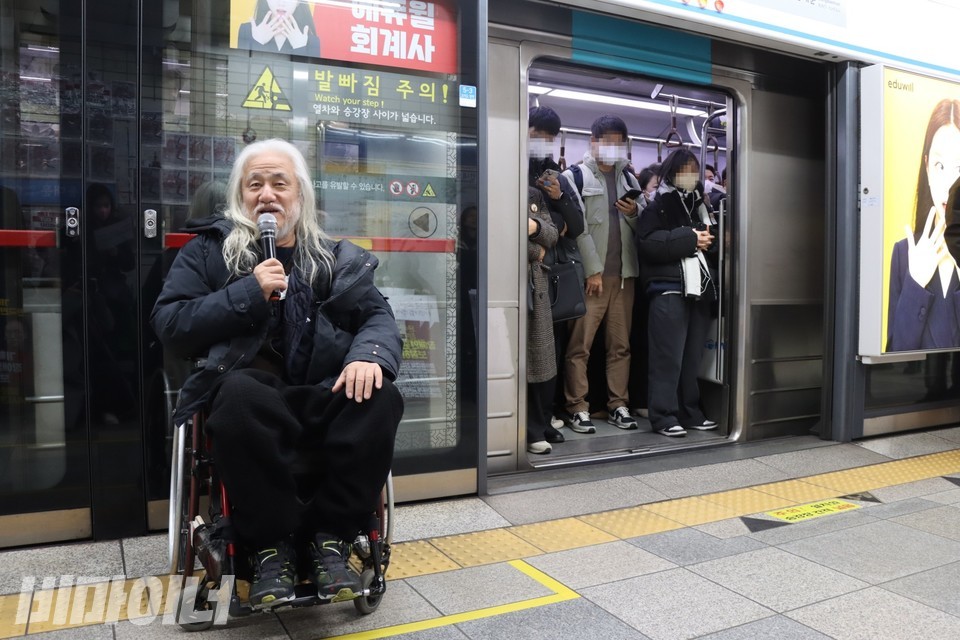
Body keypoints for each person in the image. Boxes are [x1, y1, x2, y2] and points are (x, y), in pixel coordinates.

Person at [151, 139, 403, 609]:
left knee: (381, 396)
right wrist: (248, 291)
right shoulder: (207, 253)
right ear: (240, 198)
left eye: (279, 183)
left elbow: (379, 318)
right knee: (241, 396)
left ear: (300, 197)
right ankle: (271, 545)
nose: (267, 194)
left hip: (322, 390)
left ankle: (332, 539)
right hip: (250, 394)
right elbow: (170, 326)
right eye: (255, 184)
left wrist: (367, 354)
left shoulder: (332, 258)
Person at [560, 115, 643, 433]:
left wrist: (635, 212)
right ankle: (577, 406)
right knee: (580, 346)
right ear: (593, 142)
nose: (613, 147)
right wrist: (592, 270)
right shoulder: (574, 176)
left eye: (618, 141)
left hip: (624, 277)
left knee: (620, 346)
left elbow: (640, 228)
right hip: (590, 278)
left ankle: (618, 404)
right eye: (606, 140)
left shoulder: (630, 180)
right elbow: (576, 229)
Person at [635, 148, 718, 437]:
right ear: (671, 173)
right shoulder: (656, 205)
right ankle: (663, 415)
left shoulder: (700, 204)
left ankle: (690, 411)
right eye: (684, 171)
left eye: (693, 171)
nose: (690, 176)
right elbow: (649, 244)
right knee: (667, 357)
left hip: (698, 289)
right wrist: (691, 238)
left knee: (691, 358)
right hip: (668, 288)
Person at [528, 106, 584, 446]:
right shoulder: (510, 165)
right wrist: (545, 238)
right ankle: (532, 424)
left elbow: (575, 227)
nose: (544, 142)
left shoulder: (554, 175)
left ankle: (545, 419)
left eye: (550, 137)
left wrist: (559, 197)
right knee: (534, 352)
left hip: (555, 275)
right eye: (539, 134)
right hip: (530, 270)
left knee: (551, 352)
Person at [888, 99, 960, 351]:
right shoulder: (903, 254)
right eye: (940, 166)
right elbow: (896, 357)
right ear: (927, 167)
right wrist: (915, 282)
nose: (950, 184)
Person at [525, 187, 560, 454]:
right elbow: (493, 234)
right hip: (505, 285)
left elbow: (553, 234)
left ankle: (539, 424)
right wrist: (534, 251)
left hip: (535, 288)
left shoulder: (533, 195)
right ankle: (530, 429)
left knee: (541, 360)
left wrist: (533, 226)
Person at [236, 0, 321, 57]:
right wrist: (257, 43)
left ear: (298, 2)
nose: (281, 3)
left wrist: (300, 49)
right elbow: (241, 75)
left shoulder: (311, 41)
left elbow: (309, 82)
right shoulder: (247, 31)